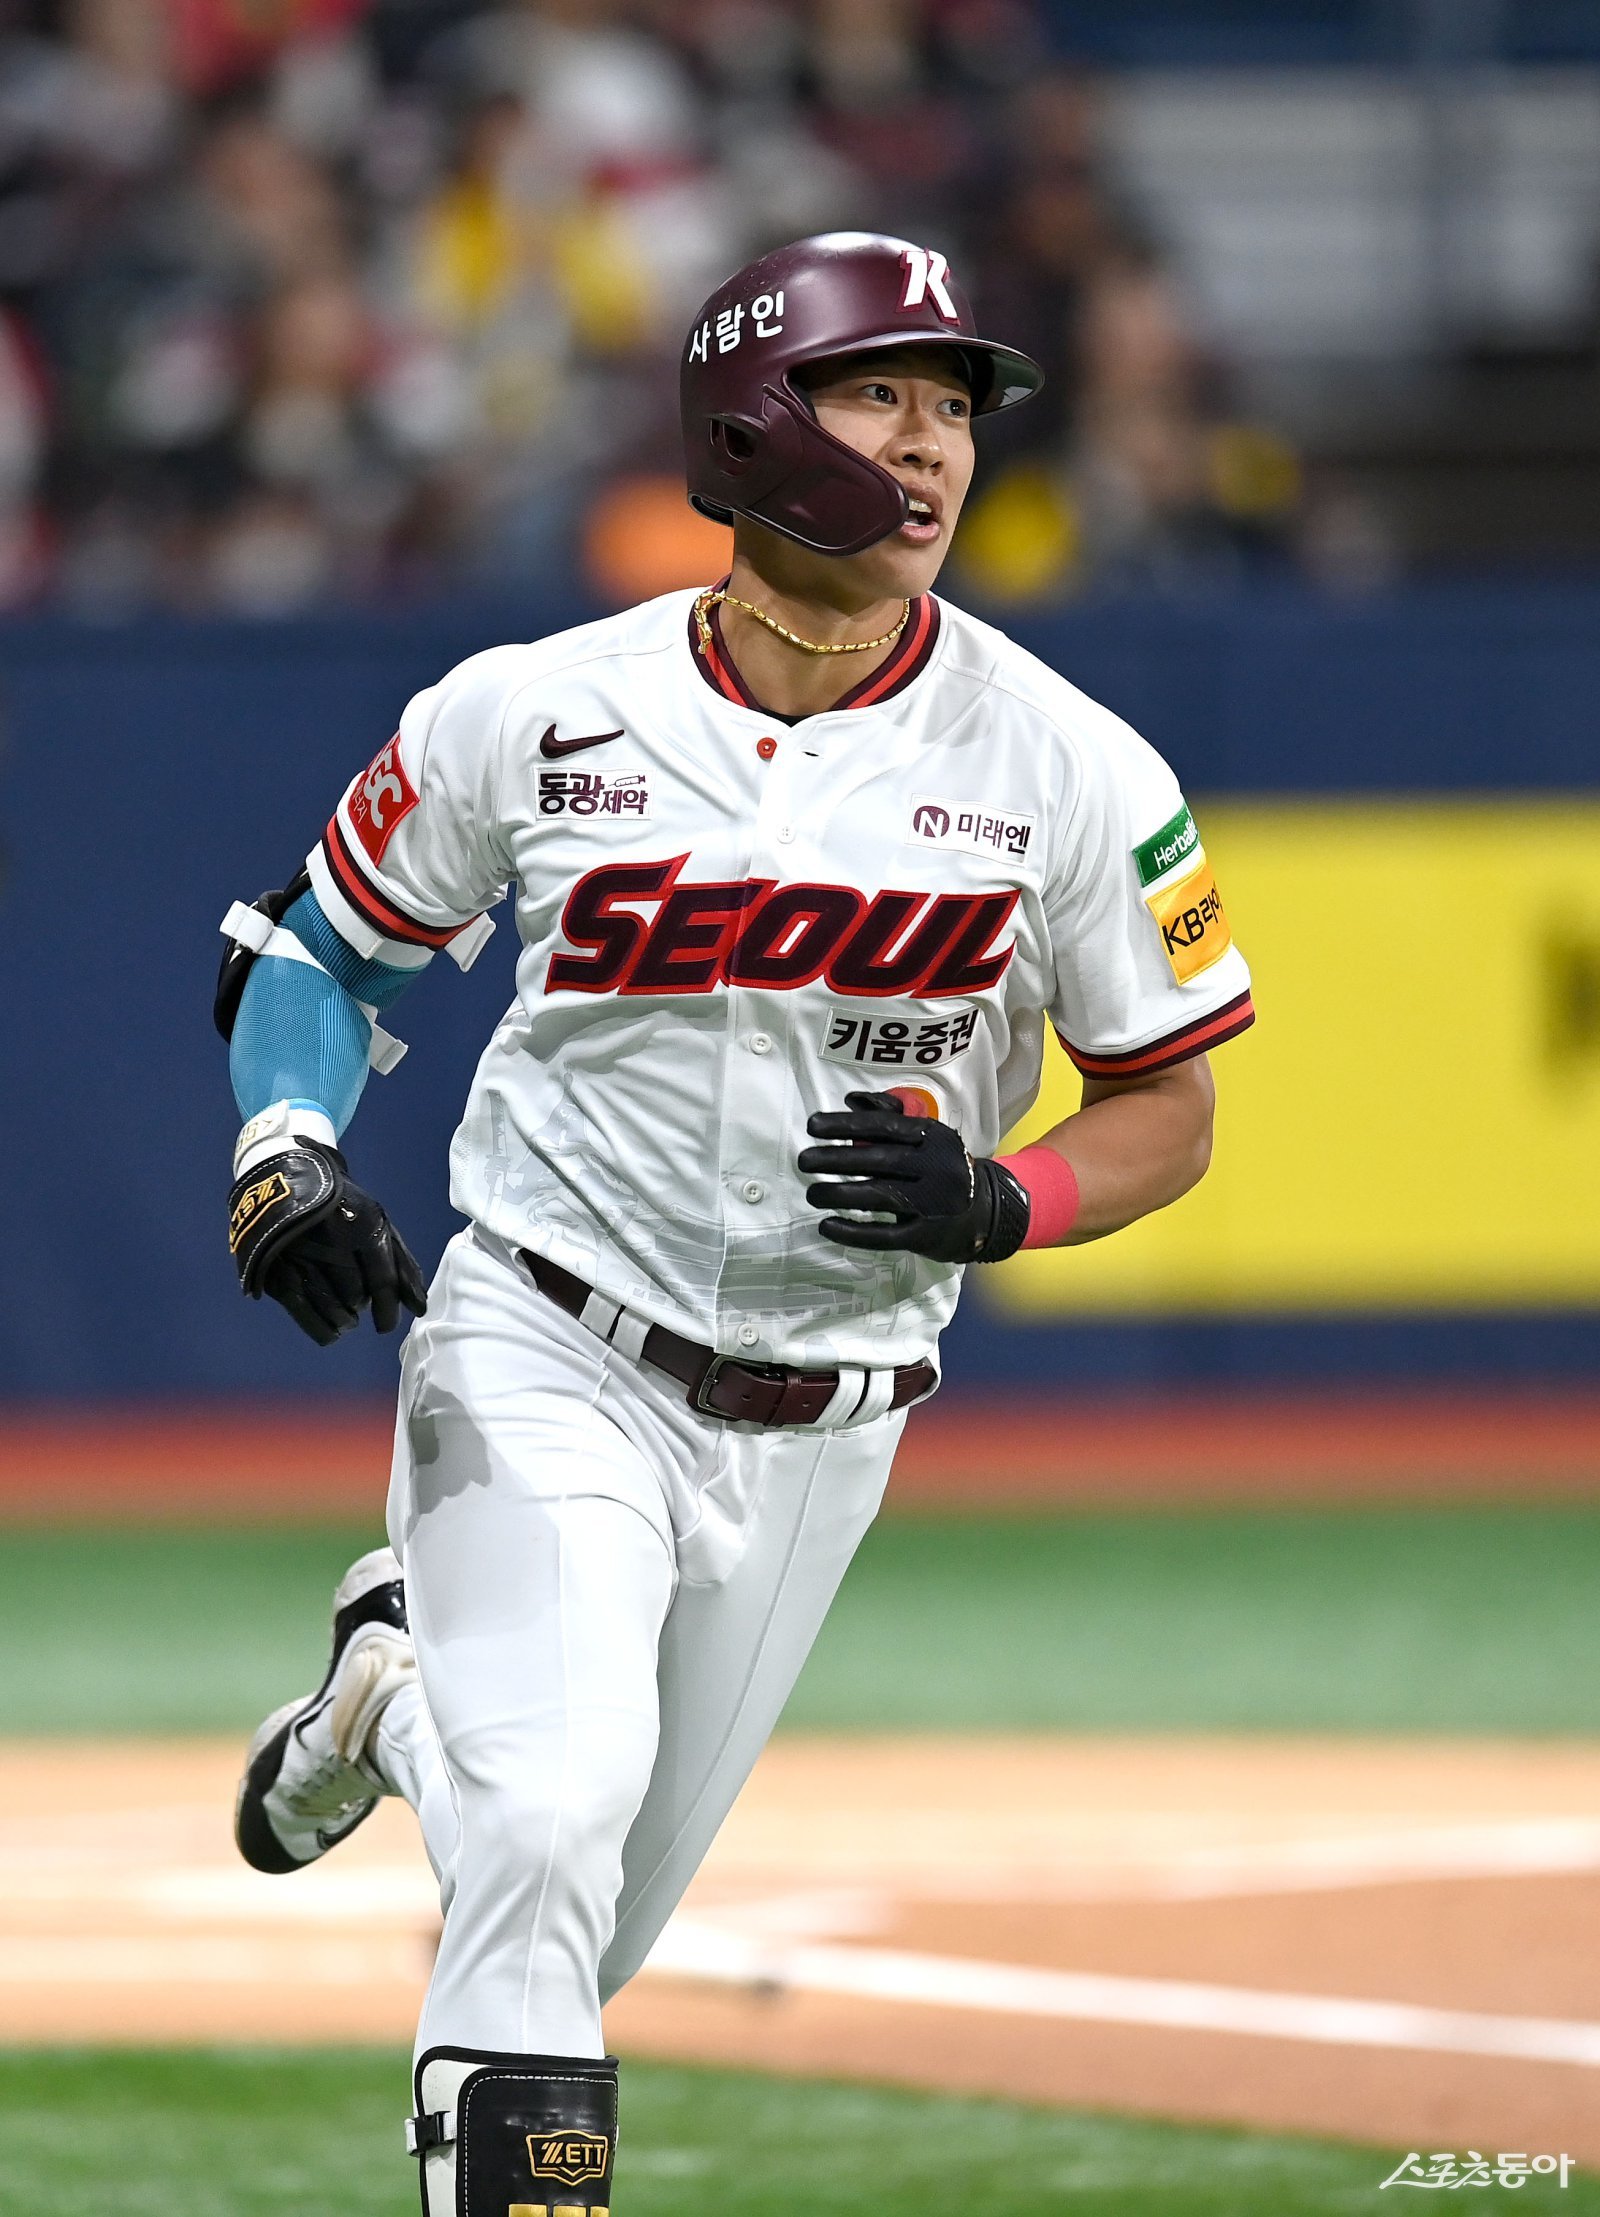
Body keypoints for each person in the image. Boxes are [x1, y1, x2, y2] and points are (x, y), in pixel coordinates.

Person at [217, 229, 1254, 2216]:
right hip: (550, 1333)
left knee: (580, 1915)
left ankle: (388, 1697)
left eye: (953, 407)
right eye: (884, 394)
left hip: (828, 1407)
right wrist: (285, 1138)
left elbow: (1171, 1103)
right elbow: (315, 946)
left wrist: (1010, 1193)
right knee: (542, 1832)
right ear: (757, 420)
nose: (932, 444)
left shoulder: (1070, 762)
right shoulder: (535, 708)